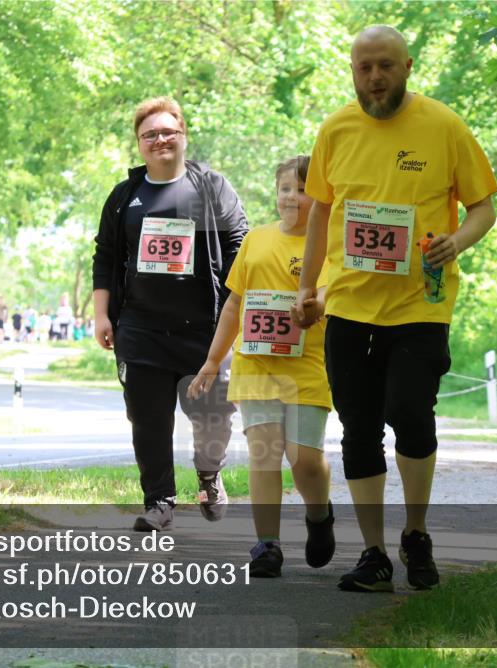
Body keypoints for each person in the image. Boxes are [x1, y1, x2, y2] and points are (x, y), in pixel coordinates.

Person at [293, 26, 497, 592]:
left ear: (407, 66)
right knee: (358, 429)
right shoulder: (336, 129)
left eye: (386, 65)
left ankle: (416, 532)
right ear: (352, 71)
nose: (375, 77)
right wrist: (308, 288)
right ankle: (374, 554)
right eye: (365, 68)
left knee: (410, 412)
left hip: (419, 304)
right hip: (349, 303)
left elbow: (483, 207)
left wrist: (457, 240)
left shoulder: (444, 125)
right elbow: (320, 212)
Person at [92, 96, 248, 531]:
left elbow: (240, 245)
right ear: (139, 143)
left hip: (206, 331)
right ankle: (159, 501)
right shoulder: (125, 197)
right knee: (148, 421)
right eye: (150, 134)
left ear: (183, 135)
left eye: (167, 132)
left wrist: (236, 313)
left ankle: (209, 476)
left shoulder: (211, 187)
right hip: (141, 329)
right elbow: (105, 256)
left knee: (213, 419)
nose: (160, 140)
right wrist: (102, 315)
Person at [188, 156, 334, 578]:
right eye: (285, 188)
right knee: (265, 454)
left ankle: (319, 514)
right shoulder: (256, 240)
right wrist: (212, 360)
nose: (292, 197)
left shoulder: (328, 243)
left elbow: (329, 293)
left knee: (304, 460)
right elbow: (234, 304)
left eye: (302, 190)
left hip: (307, 365)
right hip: (256, 364)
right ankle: (267, 545)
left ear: (321, 198)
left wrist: (316, 303)